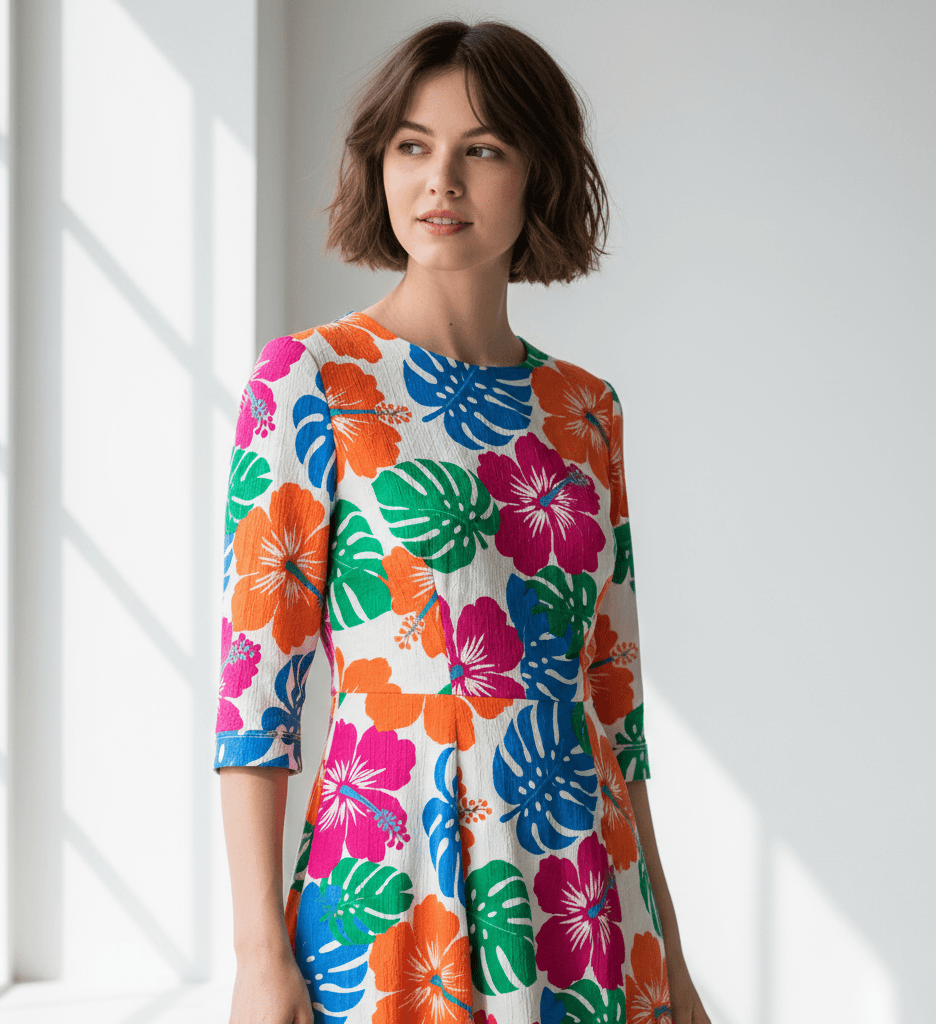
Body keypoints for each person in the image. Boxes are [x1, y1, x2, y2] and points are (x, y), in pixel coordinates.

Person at [216, 19, 711, 1024]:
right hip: (399, 882)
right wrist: (258, 955)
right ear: (380, 165)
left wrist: (676, 956)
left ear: (538, 177)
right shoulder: (311, 381)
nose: (439, 179)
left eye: (480, 149)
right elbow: (255, 694)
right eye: (412, 145)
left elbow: (615, 705)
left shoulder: (585, 409)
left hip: (586, 889)